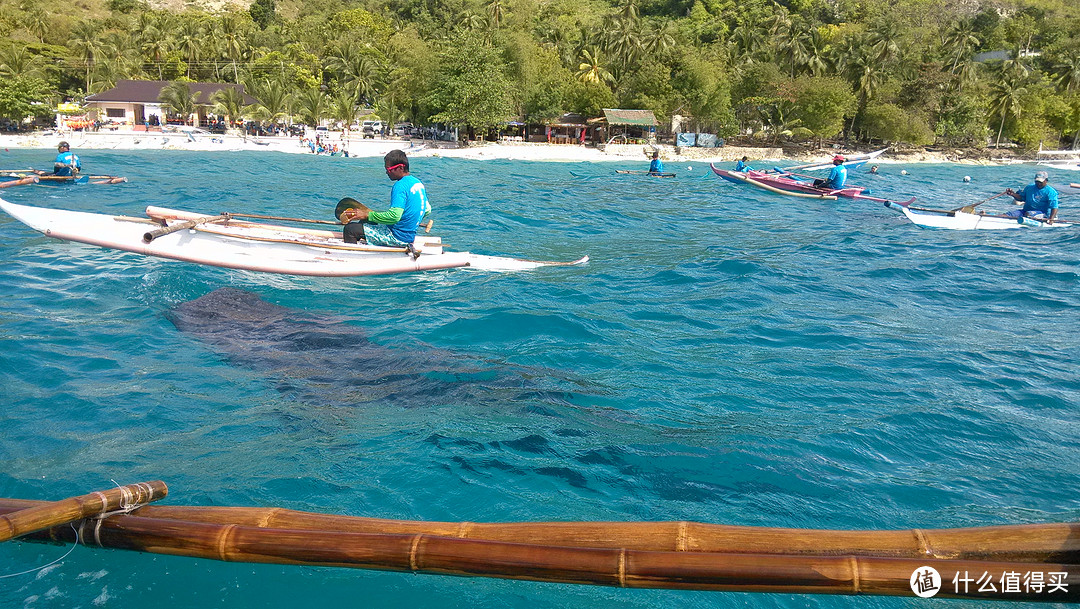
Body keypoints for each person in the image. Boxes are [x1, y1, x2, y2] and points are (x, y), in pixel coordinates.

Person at [338, 149, 430, 246]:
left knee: (350, 229)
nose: (387, 172)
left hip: (397, 237)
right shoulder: (417, 183)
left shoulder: (400, 186)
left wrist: (367, 215)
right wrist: (410, 221)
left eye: (389, 169)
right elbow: (427, 209)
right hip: (409, 236)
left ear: (400, 168)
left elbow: (394, 216)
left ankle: (353, 256)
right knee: (367, 221)